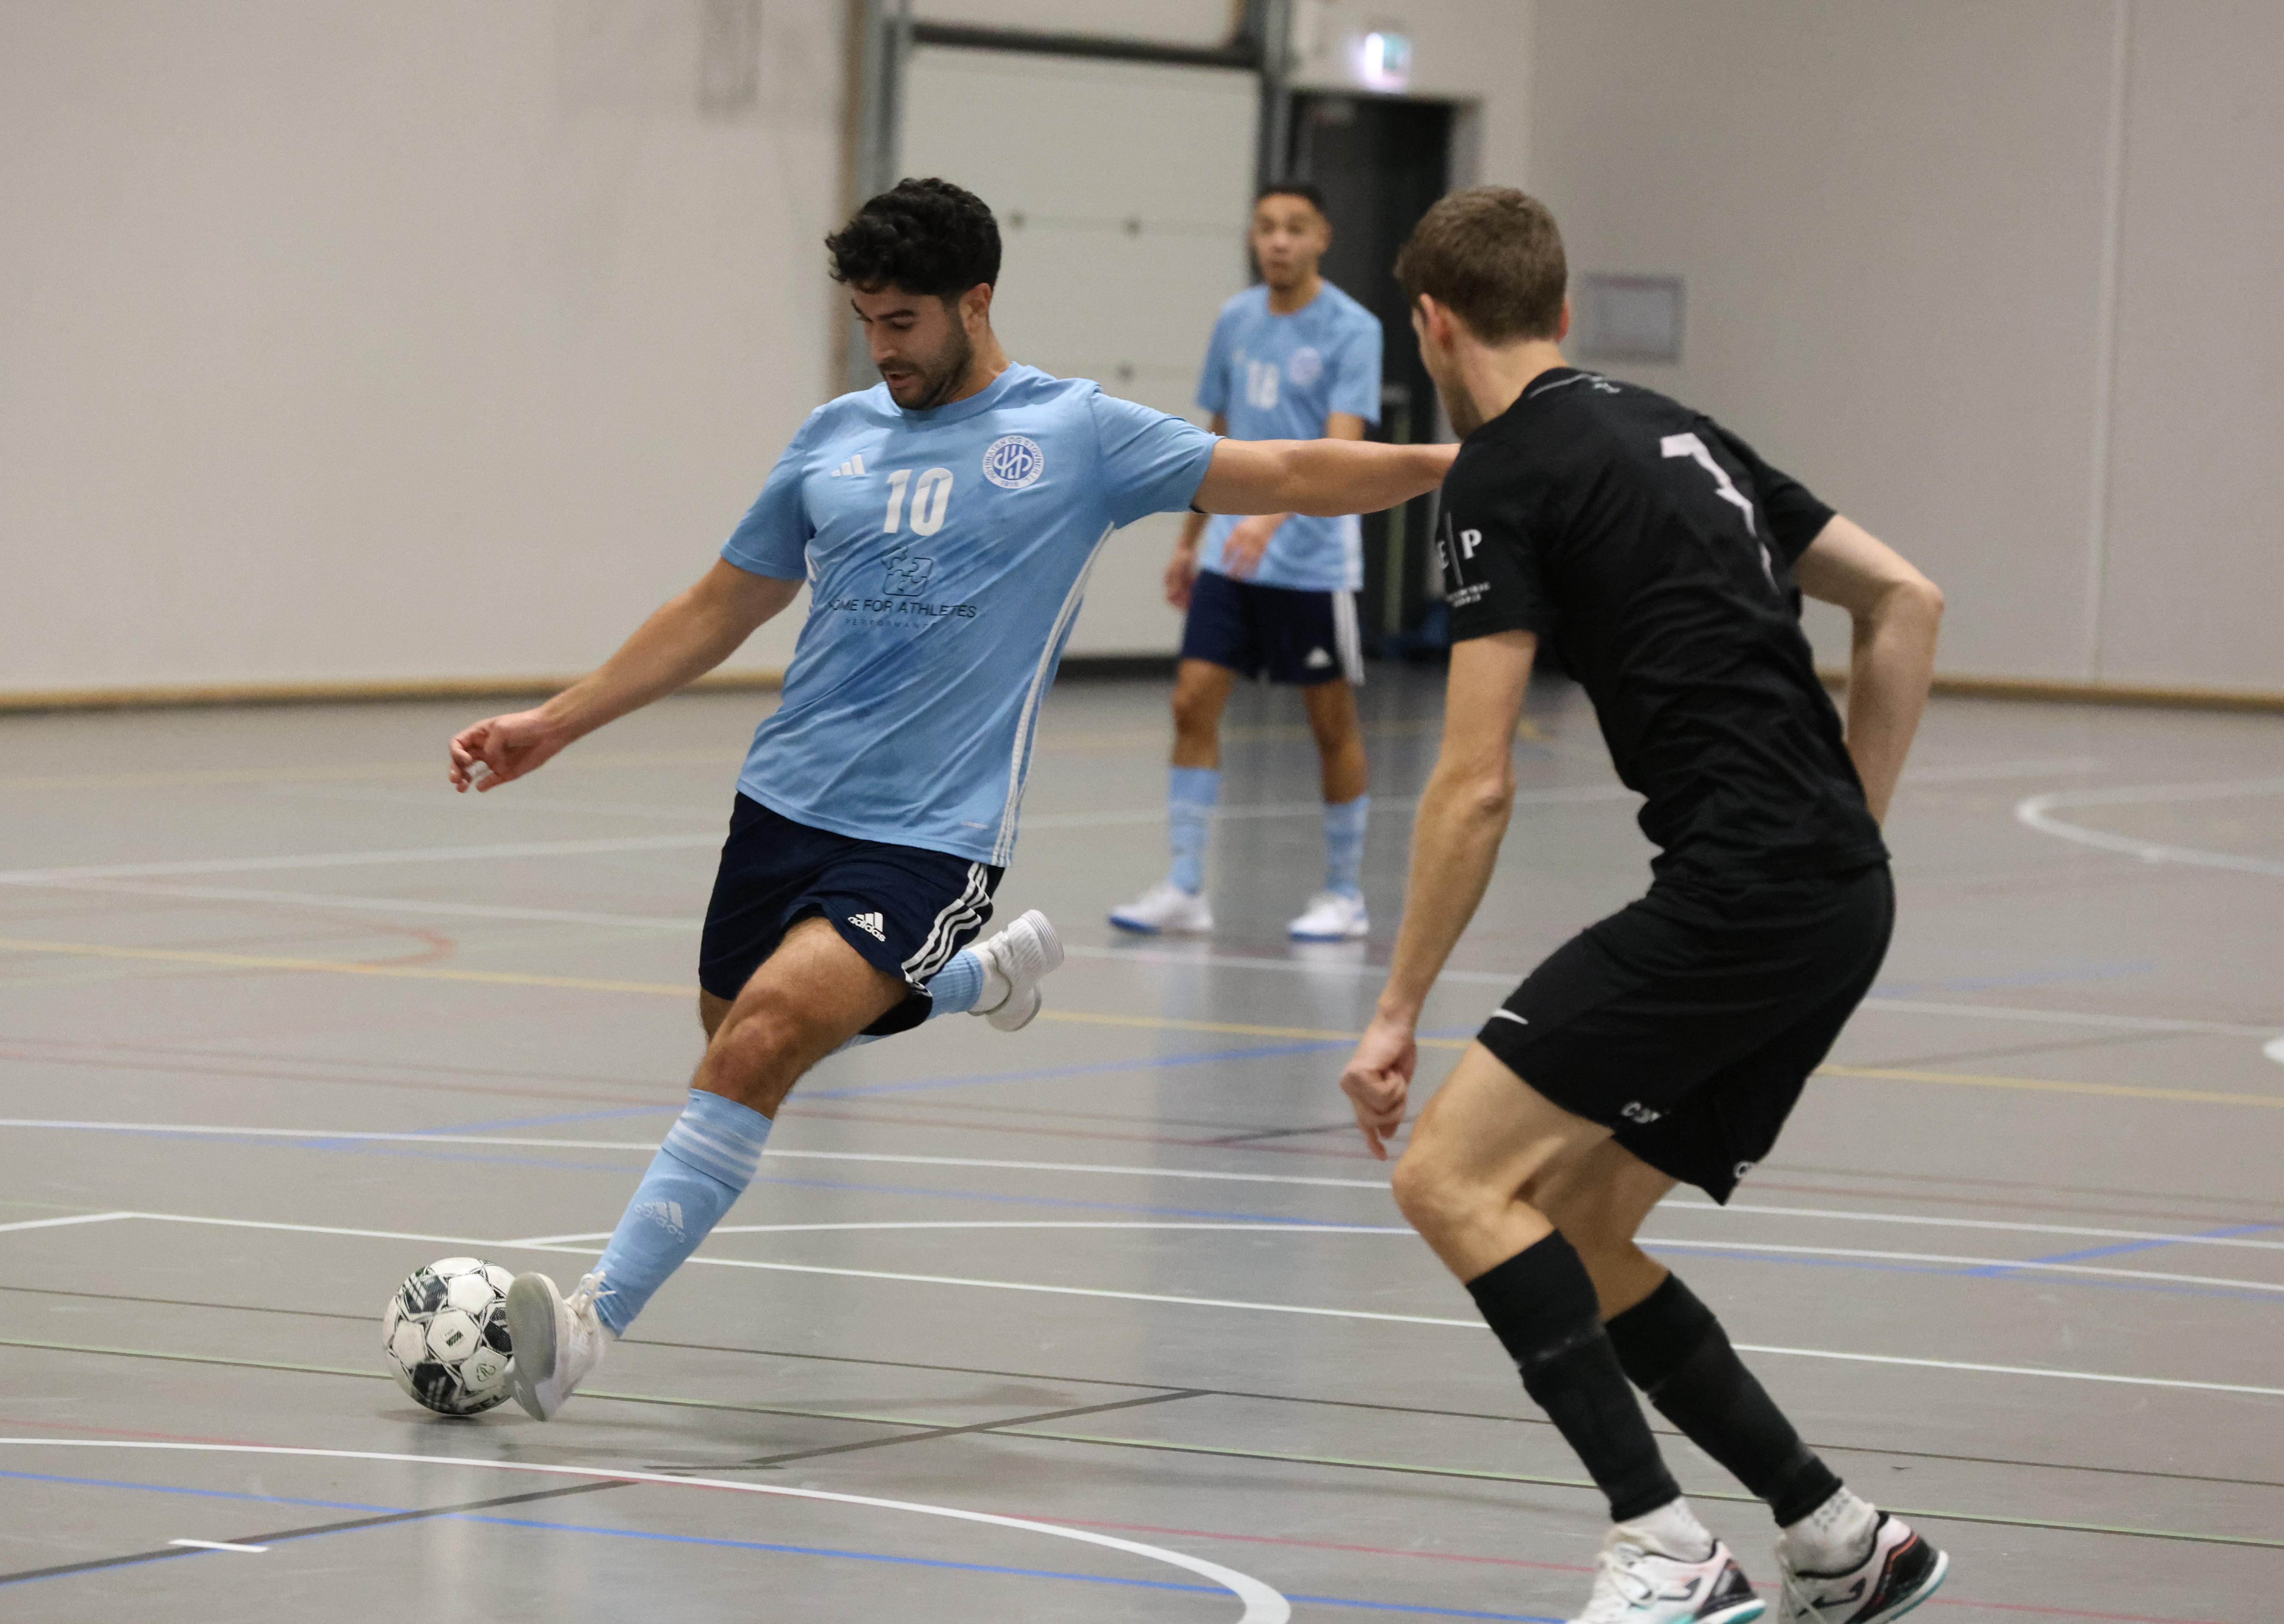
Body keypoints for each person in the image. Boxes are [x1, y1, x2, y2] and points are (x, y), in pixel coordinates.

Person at [449, 177, 1459, 1423]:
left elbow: (1295, 470)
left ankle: (588, 1327)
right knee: (737, 1034)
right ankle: (980, 979)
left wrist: (1468, 464)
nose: (884, 348)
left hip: (933, 831)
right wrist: (554, 722)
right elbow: (718, 605)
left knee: (761, 1042)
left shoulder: (1079, 435)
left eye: (904, 322)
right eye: (866, 322)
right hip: (783, 801)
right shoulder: (832, 437)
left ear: (975, 303)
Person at [1336, 188, 1949, 1624]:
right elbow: (1906, 601)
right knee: (1582, 1226)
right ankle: (1840, 1538)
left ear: (1431, 323)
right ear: (1559, 311)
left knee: (1447, 1177)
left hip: (1742, 894)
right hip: (1836, 901)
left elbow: (1475, 782)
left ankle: (1664, 1546)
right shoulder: (1684, 432)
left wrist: (1395, 1010)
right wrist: (1847, 833)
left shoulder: (1502, 469)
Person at [1109, 180, 1387, 942]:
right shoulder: (1235, 319)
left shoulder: (1353, 330)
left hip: (1312, 562)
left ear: (1322, 237)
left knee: (1331, 724)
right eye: (1266, 227)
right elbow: (1217, 435)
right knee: (1191, 703)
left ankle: (1345, 894)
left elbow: (1343, 449)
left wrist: (1271, 519)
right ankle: (1185, 886)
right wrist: (1189, 540)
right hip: (1232, 556)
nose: (1279, 241)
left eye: (1295, 227)